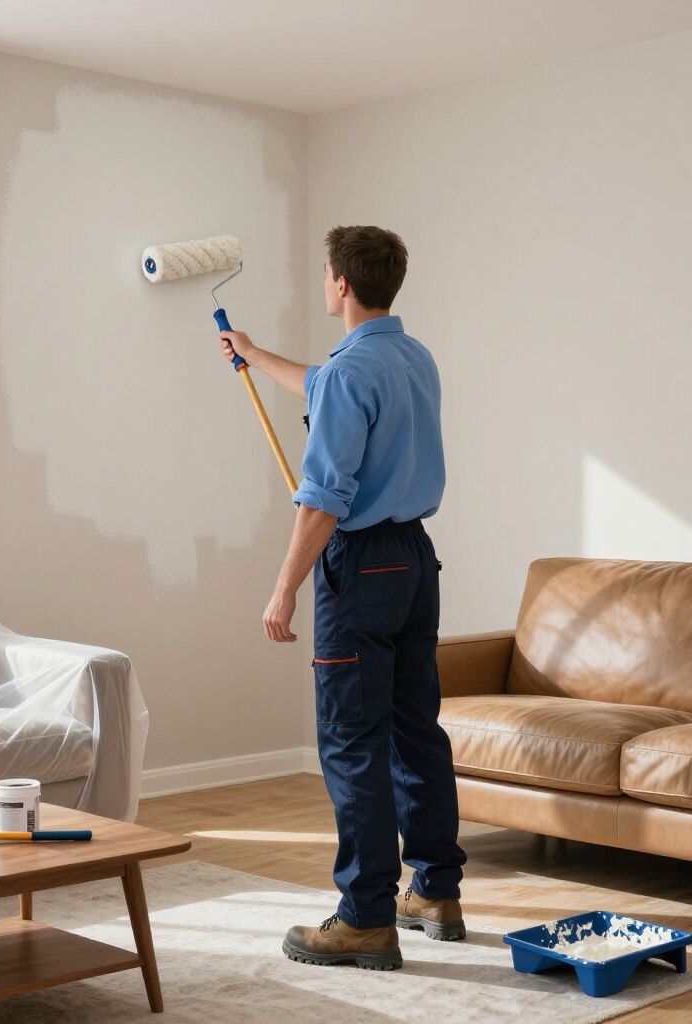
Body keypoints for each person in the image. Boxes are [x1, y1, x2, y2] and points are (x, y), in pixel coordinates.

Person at [218, 225, 467, 971]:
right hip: (416, 562)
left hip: (359, 567)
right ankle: (435, 889)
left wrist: (283, 588)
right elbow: (327, 383)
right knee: (415, 727)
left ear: (341, 286)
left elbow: (322, 501)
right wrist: (254, 357)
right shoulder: (408, 357)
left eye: (327, 274)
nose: (327, 283)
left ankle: (364, 918)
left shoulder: (352, 373)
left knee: (354, 741)